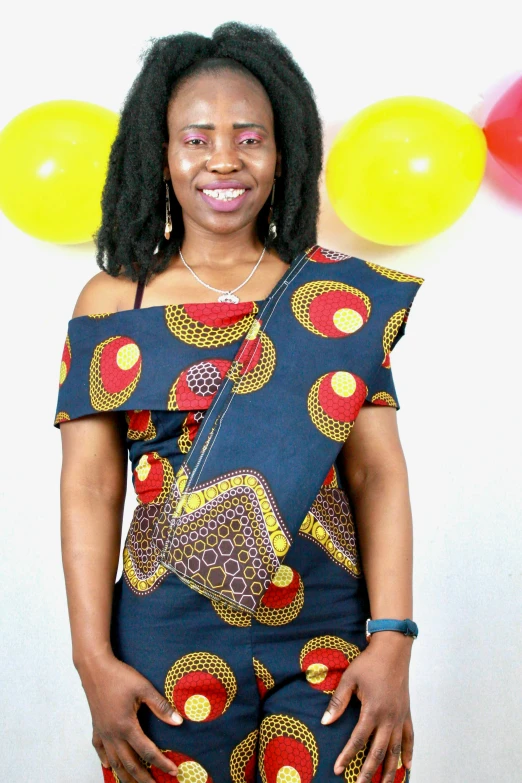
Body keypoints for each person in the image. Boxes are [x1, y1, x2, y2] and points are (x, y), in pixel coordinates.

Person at [54, 22, 425, 783]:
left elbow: (377, 476)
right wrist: (91, 658)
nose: (224, 157)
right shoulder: (111, 299)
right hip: (166, 629)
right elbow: (91, 487)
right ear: (160, 155)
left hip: (328, 626)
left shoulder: (335, 296)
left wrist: (392, 637)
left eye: (250, 136)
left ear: (282, 152)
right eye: (197, 137)